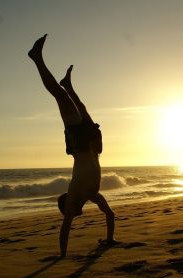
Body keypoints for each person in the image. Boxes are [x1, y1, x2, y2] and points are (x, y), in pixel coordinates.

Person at [28, 34, 115, 257]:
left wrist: (62, 254)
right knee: (81, 107)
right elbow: (109, 214)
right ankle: (66, 82)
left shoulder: (76, 193)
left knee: (60, 95)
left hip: (79, 143)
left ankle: (37, 59)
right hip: (89, 143)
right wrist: (110, 239)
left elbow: (65, 227)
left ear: (68, 205)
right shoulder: (91, 195)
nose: (71, 214)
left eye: (67, 211)